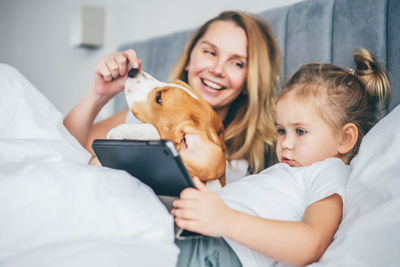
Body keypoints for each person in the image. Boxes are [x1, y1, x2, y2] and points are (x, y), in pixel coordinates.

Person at [171, 48, 392, 267]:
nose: (285, 143)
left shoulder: (329, 170)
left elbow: (310, 243)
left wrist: (225, 219)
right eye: (281, 131)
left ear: (345, 139)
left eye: (300, 132)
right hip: (196, 235)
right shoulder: (284, 173)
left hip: (216, 251)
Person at [63, 11, 282, 182]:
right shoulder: (143, 115)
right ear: (189, 59)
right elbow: (63, 149)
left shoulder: (248, 160)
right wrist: (98, 95)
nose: (217, 69)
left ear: (250, 81)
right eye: (210, 52)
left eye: (237, 63)